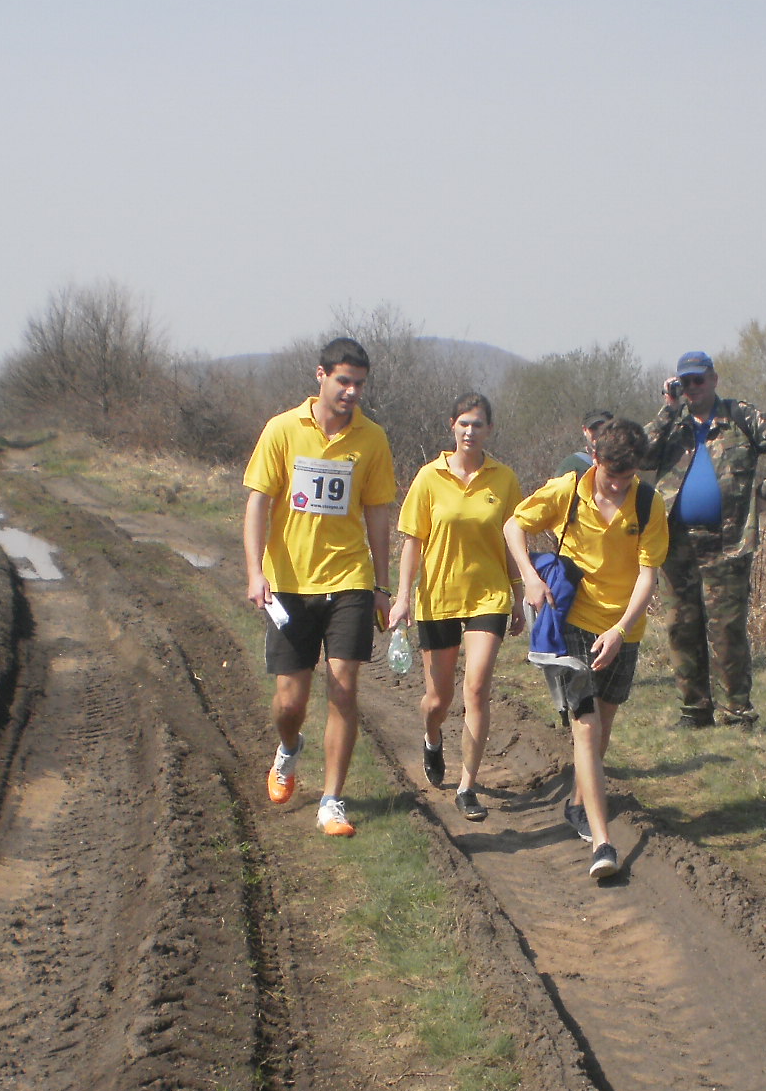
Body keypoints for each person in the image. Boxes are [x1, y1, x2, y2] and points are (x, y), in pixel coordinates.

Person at [243, 337, 398, 837]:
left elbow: (378, 512)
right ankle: (288, 749)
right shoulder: (283, 430)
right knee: (290, 702)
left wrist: (380, 583)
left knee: (344, 688)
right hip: (288, 583)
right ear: (321, 376)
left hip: (348, 578)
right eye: (343, 381)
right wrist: (254, 572)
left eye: (360, 384)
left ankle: (332, 800)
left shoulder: (372, 439)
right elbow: (258, 503)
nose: (352, 392)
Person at [503, 417, 669, 880]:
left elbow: (647, 576)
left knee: (605, 724)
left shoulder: (650, 504)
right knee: (586, 730)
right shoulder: (568, 489)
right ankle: (602, 842)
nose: (617, 486)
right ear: (595, 458)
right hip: (573, 621)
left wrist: (619, 629)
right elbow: (514, 525)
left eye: (627, 477)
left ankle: (579, 803)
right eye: (611, 476)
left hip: (624, 630)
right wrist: (530, 578)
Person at [642, 350, 766, 728]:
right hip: (675, 542)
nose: (693, 388)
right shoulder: (673, 423)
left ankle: (736, 712)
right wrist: (668, 409)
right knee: (681, 626)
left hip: (727, 541)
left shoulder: (740, 417)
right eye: (685, 382)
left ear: (714, 379)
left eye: (699, 380)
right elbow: (640, 453)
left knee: (726, 630)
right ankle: (694, 709)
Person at [388, 394, 524, 821]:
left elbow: (512, 540)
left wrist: (519, 594)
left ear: (489, 430)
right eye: (464, 423)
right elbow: (412, 540)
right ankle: (432, 739)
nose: (470, 431)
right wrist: (402, 597)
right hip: (439, 598)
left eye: (478, 424)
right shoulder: (429, 478)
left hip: (488, 596)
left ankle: (467, 786)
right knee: (438, 697)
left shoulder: (504, 480)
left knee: (478, 688)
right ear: (452, 426)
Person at [559, 409, 614, 477]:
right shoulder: (571, 464)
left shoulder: (623, 461)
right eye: (593, 428)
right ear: (584, 430)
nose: (599, 433)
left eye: (604, 428)